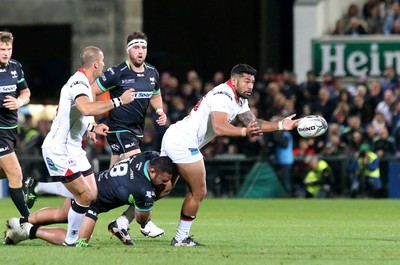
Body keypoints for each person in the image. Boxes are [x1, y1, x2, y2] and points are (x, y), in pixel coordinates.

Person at [160, 64, 299, 246]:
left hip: (177, 136)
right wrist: (244, 132)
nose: (250, 86)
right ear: (234, 80)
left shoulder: (239, 100)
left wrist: (281, 125)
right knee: (199, 190)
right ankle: (180, 238)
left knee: (163, 187)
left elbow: (254, 123)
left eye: (253, 82)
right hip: (183, 141)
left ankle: (122, 222)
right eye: (246, 81)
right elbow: (219, 127)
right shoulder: (223, 95)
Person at [38, 46, 135, 246]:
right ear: (96, 64)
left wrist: (92, 126)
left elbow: (77, 114)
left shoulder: (83, 83)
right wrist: (119, 101)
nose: (105, 66)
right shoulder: (78, 83)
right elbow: (85, 108)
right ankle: (70, 240)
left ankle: (38, 191)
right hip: (59, 149)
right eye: (103, 63)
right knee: (84, 195)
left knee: (91, 193)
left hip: (73, 148)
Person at [90, 31, 169, 241]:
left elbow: (156, 94)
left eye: (143, 47)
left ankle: (86, 210)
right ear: (128, 50)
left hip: (136, 132)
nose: (140, 51)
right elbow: (90, 90)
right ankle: (144, 221)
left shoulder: (152, 72)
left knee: (108, 183)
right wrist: (92, 120)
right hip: (119, 131)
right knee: (146, 174)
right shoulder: (118, 72)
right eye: (136, 47)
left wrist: (160, 111)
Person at [4, 151, 176, 247]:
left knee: (59, 214)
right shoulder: (143, 190)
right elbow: (141, 219)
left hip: (89, 182)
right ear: (152, 172)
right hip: (93, 201)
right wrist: (150, 201)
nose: (165, 184)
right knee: (78, 241)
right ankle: (28, 230)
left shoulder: (147, 156)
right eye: (163, 180)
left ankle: (19, 221)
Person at [0, 31, 31, 219]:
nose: (6, 52)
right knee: (16, 174)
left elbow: (26, 92)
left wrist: (19, 102)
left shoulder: (16, 67)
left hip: (12, 130)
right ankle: (30, 221)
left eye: (8, 48)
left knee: (5, 172)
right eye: (2, 49)